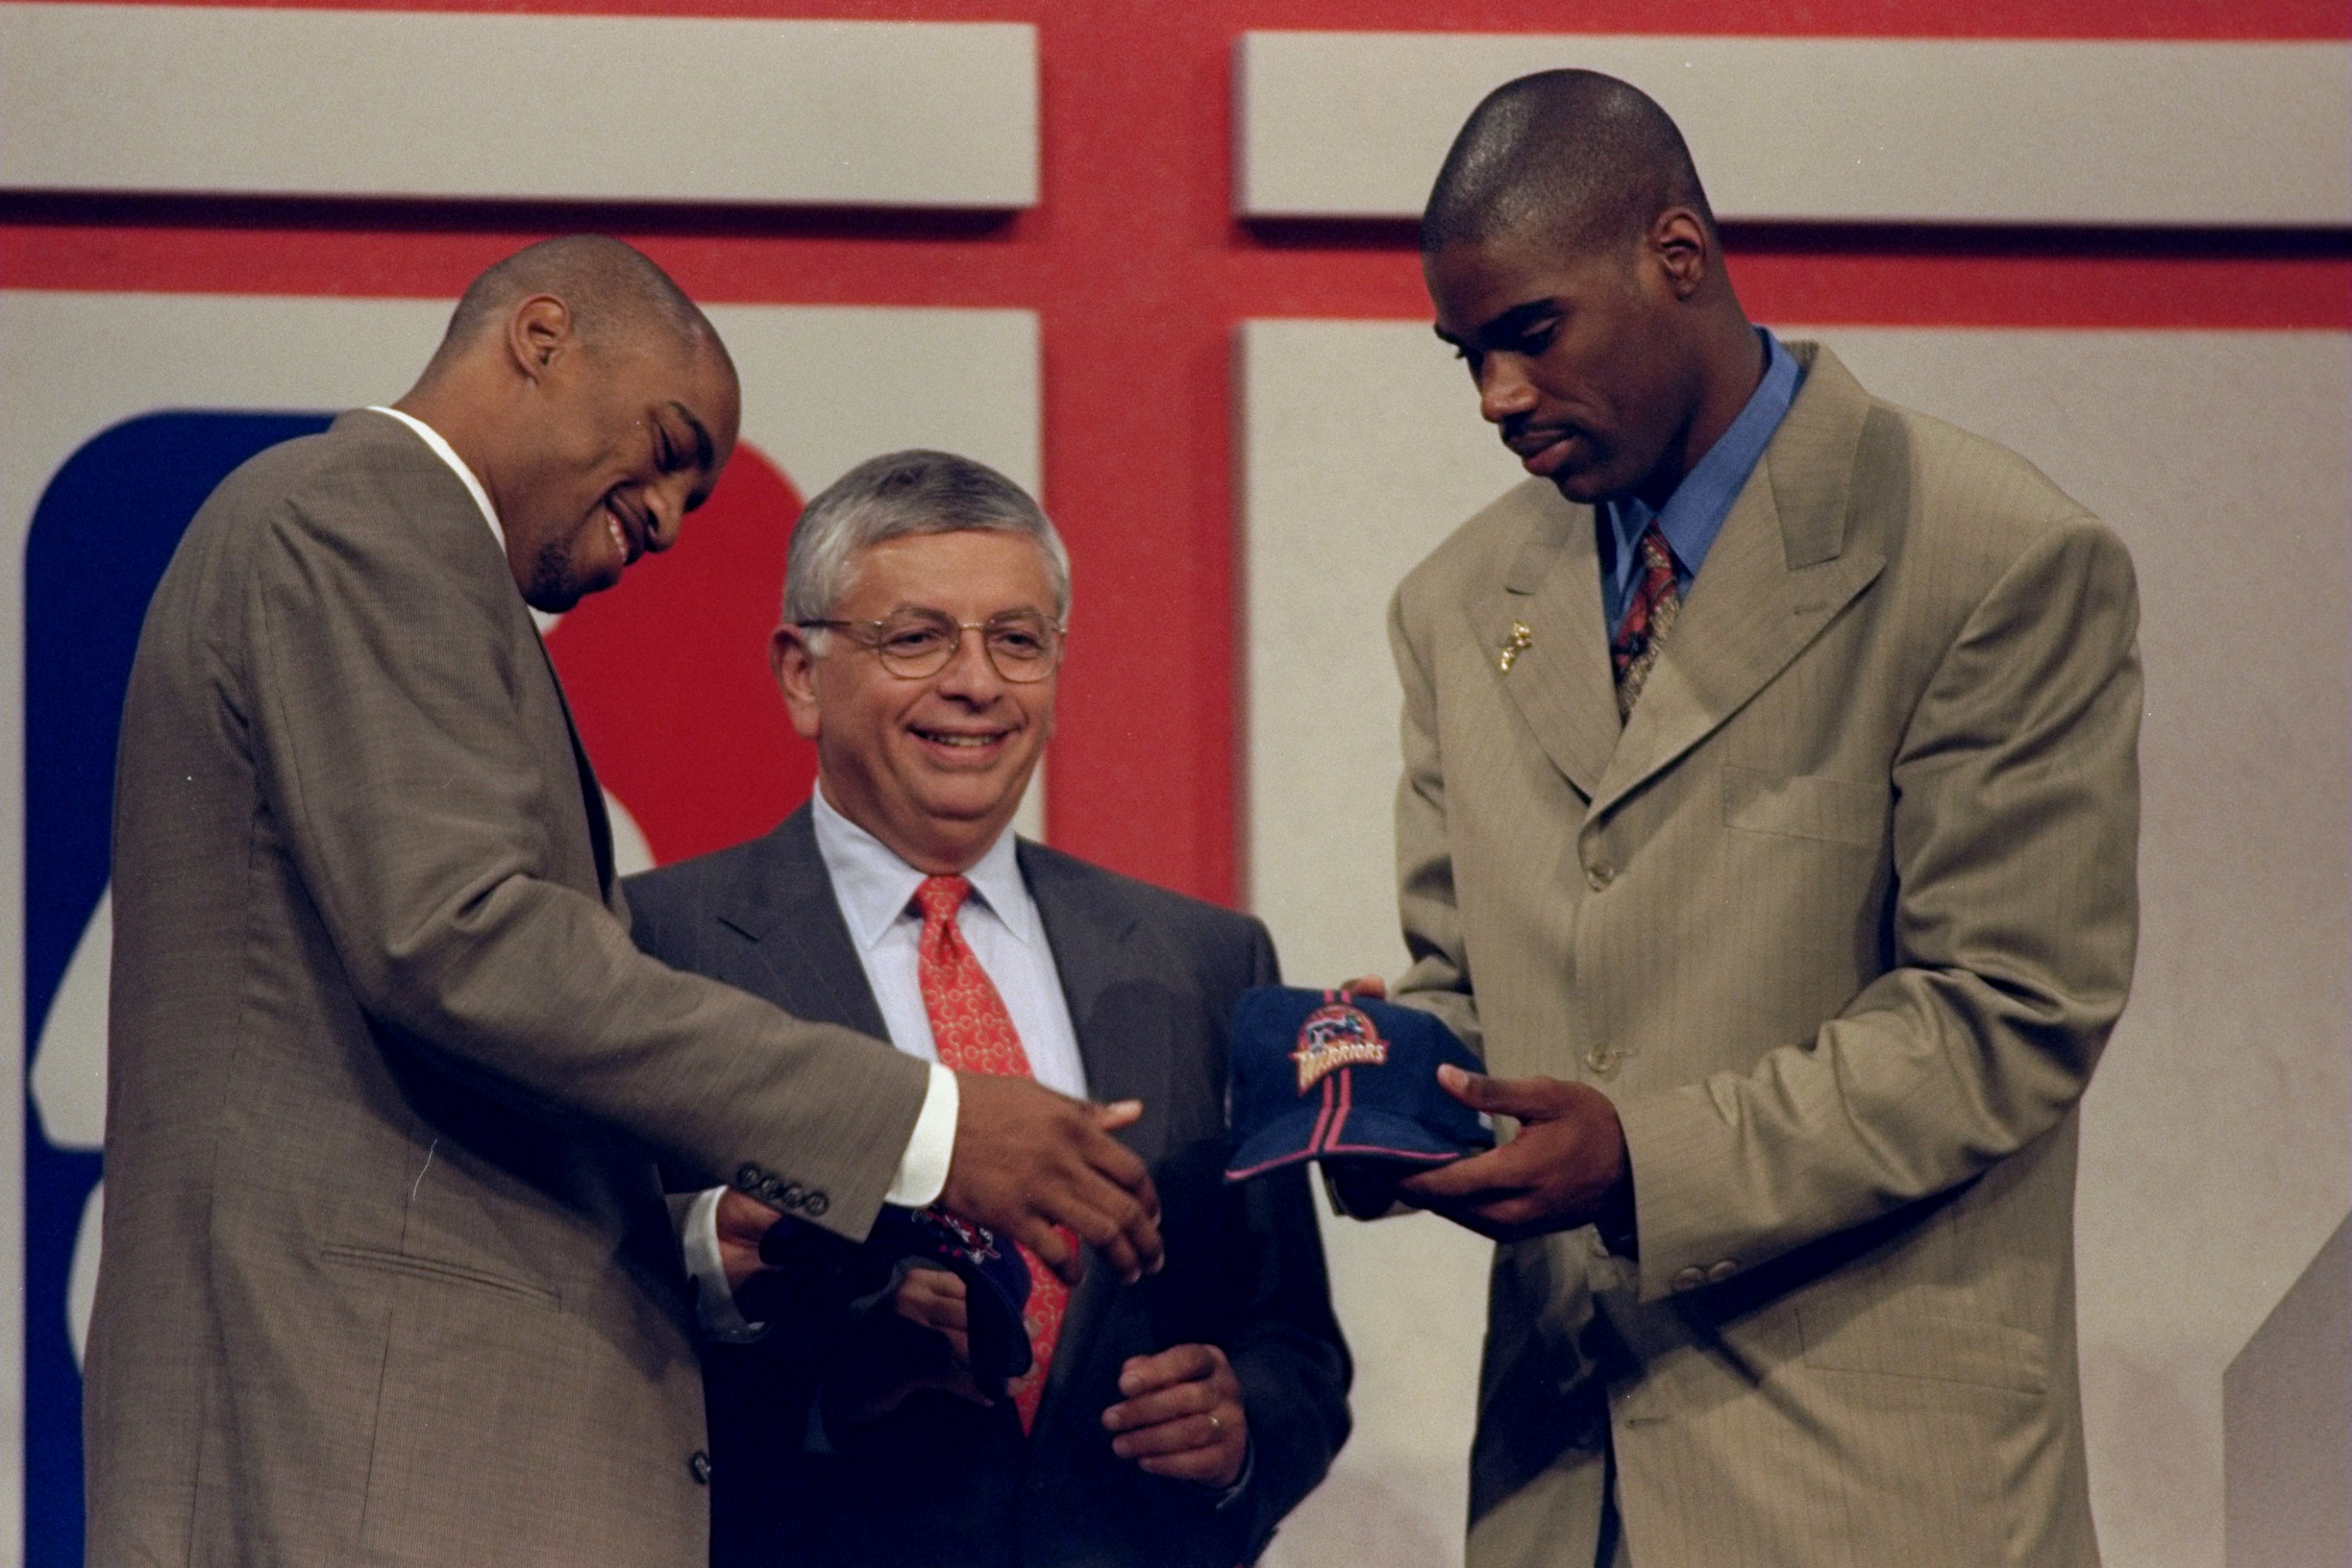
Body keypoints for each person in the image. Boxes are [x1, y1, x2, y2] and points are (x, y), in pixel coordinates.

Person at [89, 237, 1164, 1567]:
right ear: (539, 339)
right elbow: (463, 944)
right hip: (358, 1446)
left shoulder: (418, 564)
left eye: (694, 497)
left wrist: (711, 1251)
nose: (662, 515)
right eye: (663, 449)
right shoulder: (358, 513)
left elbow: (442, 1090)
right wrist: (929, 1126)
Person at [1380, 72, 2140, 1566]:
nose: (1497, 399)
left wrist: (1640, 1162)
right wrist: (1384, 1093)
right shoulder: (1460, 603)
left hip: (1866, 1500)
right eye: (1466, 355)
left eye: (1530, 334)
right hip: (1558, 1489)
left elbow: (2010, 1012)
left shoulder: (1996, 557)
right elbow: (1461, 984)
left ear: (1678, 255)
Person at [626, 449, 1351, 1567]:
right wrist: (841, 1374)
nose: (977, 683)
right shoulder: (649, 947)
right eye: (917, 639)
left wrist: (1240, 1419)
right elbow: (584, 1318)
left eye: (1018, 641)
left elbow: (1294, 1343)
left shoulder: (1207, 959)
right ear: (802, 674)